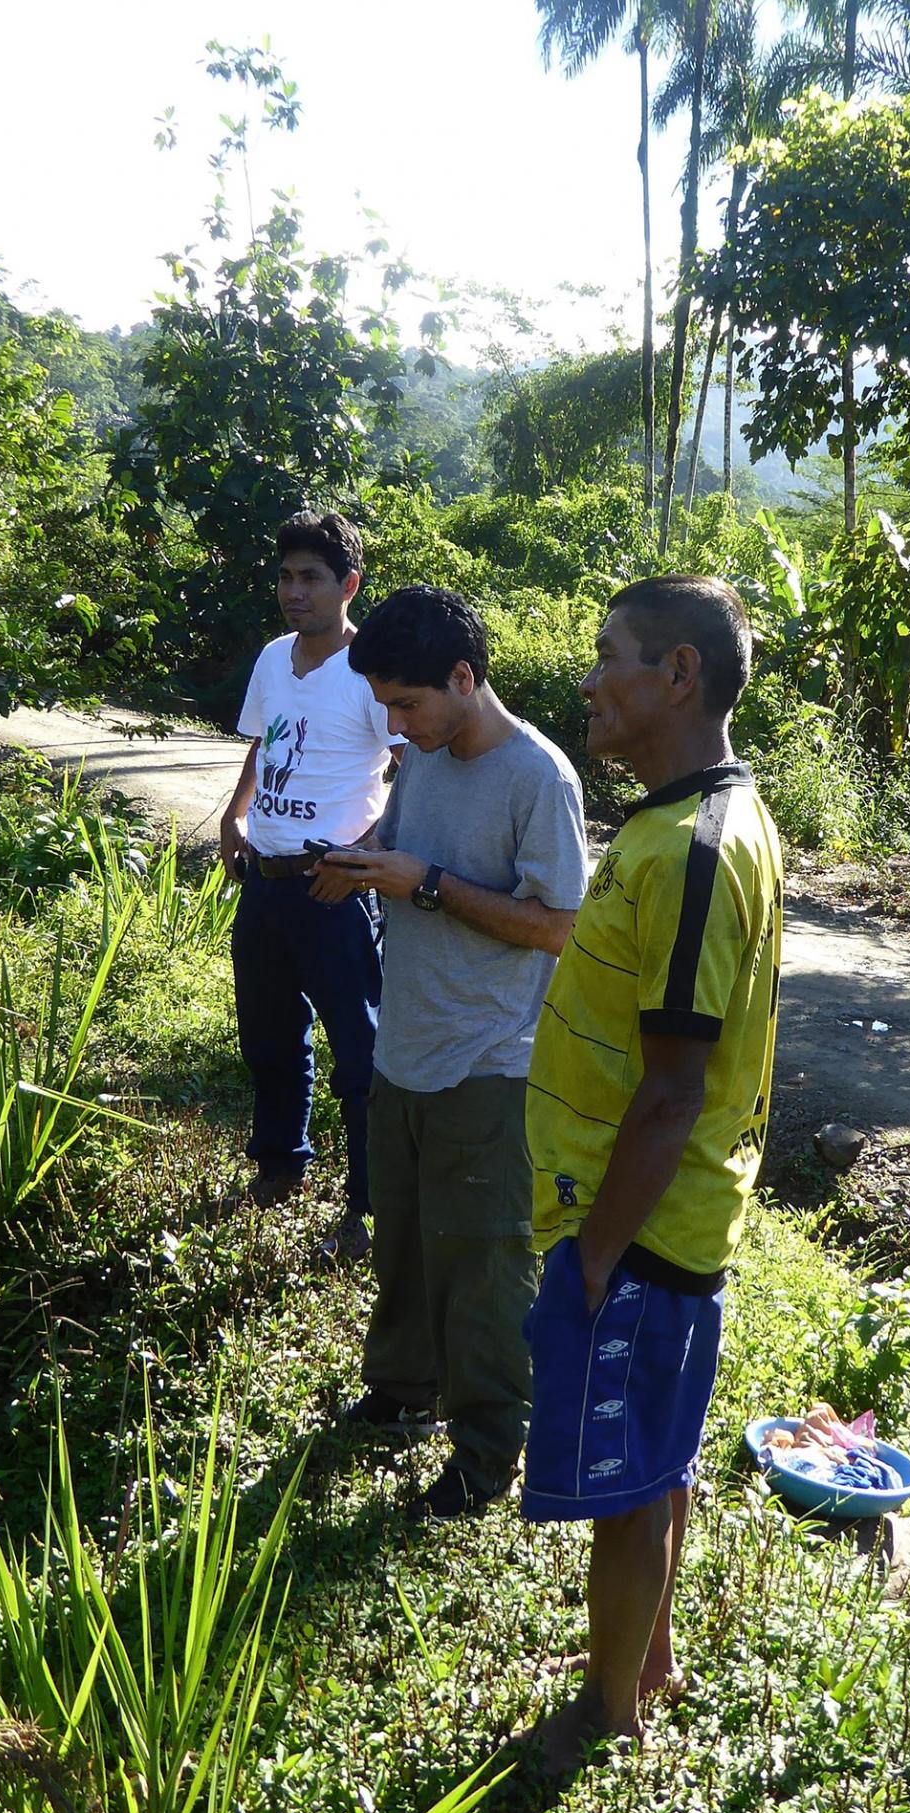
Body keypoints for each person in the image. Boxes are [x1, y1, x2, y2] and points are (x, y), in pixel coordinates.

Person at [520, 575, 782, 1769]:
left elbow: (675, 1087)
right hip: (637, 1222)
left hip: (636, 1229)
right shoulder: (685, 818)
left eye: (609, 654)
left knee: (625, 1491)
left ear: (678, 675)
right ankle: (653, 1660)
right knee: (660, 1460)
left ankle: (607, 1709)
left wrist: (596, 1255)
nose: (589, 679)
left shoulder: (692, 848)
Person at [313, 586, 587, 1520]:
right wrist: (354, 858)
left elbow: (556, 927)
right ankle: (399, 1392)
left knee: (480, 1269)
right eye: (386, 705)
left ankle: (482, 1456)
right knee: (405, 1241)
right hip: (408, 1047)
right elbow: (396, 841)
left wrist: (424, 885)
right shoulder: (422, 756)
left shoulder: (538, 779)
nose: (396, 723)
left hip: (492, 1062)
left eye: (408, 704)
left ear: (464, 679)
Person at [219, 511, 402, 1264]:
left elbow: (408, 768)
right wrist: (235, 813)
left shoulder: (371, 671)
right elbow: (264, 744)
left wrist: (360, 856)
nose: (294, 592)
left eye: (311, 579)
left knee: (359, 1053)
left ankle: (367, 1205)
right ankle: (280, 1164)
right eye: (287, 577)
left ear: (348, 586)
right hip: (264, 880)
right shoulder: (272, 658)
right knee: (267, 1035)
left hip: (334, 893)